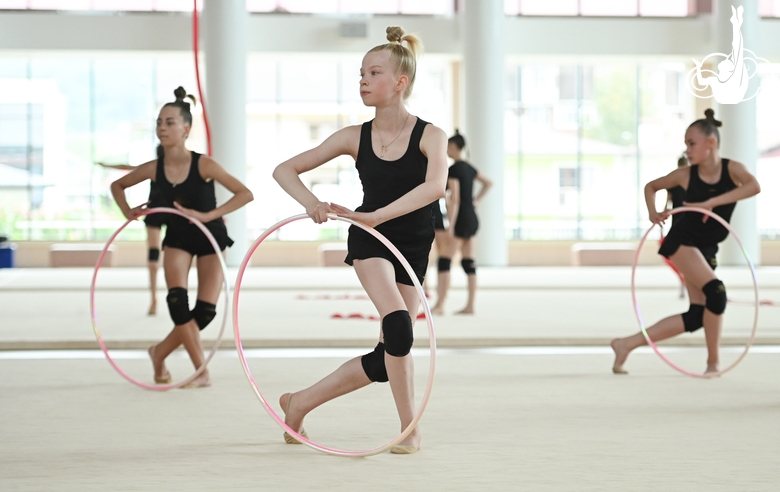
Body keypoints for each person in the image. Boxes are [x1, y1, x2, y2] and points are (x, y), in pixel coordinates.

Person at [272, 26, 447, 454]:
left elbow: (435, 188)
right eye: (361, 73)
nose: (363, 81)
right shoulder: (354, 136)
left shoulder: (431, 136)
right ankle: (410, 429)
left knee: (392, 349)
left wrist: (379, 214)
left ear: (400, 82)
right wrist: (312, 202)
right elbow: (284, 170)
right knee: (399, 326)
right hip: (369, 239)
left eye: (373, 73)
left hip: (412, 242)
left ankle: (300, 402)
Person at [110, 87, 253, 388]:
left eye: (170, 122)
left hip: (210, 237)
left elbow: (245, 194)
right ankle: (200, 370)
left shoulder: (204, 164)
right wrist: (127, 212)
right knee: (178, 304)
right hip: (177, 239)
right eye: (159, 122)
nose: (162, 127)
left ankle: (159, 352)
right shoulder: (153, 168)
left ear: (186, 129)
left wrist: (207, 216)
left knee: (204, 314)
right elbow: (117, 186)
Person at [610, 109, 760, 375]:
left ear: (710, 143)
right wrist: (652, 212)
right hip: (681, 242)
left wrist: (710, 203)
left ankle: (626, 344)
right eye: (686, 144)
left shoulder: (733, 169)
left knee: (698, 313)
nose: (687, 150)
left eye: (692, 143)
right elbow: (651, 187)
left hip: (706, 247)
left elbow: (753, 187)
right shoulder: (685, 175)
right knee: (716, 293)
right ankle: (713, 363)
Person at [431, 130, 492, 315]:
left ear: (454, 147)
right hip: (472, 217)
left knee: (444, 261)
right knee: (468, 263)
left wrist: (451, 225)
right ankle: (470, 306)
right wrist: (477, 200)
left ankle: (440, 305)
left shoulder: (455, 169)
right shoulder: (469, 167)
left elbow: (454, 199)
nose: (446, 151)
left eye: (448, 147)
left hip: (461, 220)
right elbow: (488, 183)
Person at [98, 152, 168, 316]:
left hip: (175, 214)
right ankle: (154, 298)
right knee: (153, 259)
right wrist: (107, 166)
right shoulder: (153, 167)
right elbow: (127, 169)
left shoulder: (183, 168)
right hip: (154, 213)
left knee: (174, 258)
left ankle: (168, 298)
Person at [663, 155, 690, 297]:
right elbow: (668, 201)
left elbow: (668, 201)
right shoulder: (674, 181)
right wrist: (664, 213)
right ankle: (683, 282)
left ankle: (686, 282)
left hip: (687, 217)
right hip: (680, 217)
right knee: (678, 251)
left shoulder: (690, 180)